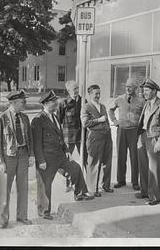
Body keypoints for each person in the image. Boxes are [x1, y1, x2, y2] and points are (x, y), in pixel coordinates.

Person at [31, 90, 93, 220]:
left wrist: (67, 151)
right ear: (47, 103)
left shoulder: (54, 116)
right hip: (46, 158)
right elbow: (36, 143)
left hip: (60, 156)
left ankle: (79, 193)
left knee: (75, 168)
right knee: (45, 185)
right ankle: (44, 212)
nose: (56, 104)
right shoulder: (38, 119)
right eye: (54, 102)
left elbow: (60, 136)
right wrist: (40, 160)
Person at [0, 90, 34, 228]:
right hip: (9, 157)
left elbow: (29, 138)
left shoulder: (24, 117)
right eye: (23, 102)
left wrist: (31, 155)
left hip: (23, 154)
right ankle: (3, 219)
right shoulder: (2, 118)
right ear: (14, 102)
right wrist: (1, 160)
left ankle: (22, 216)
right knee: (5, 189)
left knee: (23, 187)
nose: (25, 104)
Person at [137, 78, 160, 205]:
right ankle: (145, 191)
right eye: (144, 90)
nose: (144, 93)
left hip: (154, 139)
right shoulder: (147, 103)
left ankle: (154, 197)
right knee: (143, 166)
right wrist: (139, 137)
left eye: (146, 90)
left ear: (154, 91)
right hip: (143, 137)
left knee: (153, 168)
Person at [108, 78, 145, 190]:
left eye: (130, 87)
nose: (128, 89)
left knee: (135, 157)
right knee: (121, 156)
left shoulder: (141, 101)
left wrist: (141, 127)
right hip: (122, 131)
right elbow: (110, 110)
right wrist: (115, 121)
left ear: (136, 88)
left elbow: (146, 115)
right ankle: (121, 180)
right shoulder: (119, 99)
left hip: (134, 131)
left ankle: (135, 182)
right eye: (126, 87)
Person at [81, 85, 113, 197]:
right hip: (94, 137)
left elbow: (107, 121)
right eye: (96, 94)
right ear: (90, 94)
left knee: (107, 162)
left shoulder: (103, 106)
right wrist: (99, 120)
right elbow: (85, 123)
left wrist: (108, 129)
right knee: (94, 163)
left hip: (106, 136)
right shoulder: (86, 107)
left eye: (99, 93)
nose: (98, 96)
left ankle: (105, 185)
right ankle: (92, 189)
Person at [58, 80, 83, 192]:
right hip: (68, 136)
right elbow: (58, 122)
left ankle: (84, 183)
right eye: (74, 89)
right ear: (68, 91)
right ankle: (68, 183)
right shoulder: (63, 103)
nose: (76, 91)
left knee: (85, 159)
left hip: (81, 136)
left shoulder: (83, 101)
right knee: (68, 161)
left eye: (77, 88)